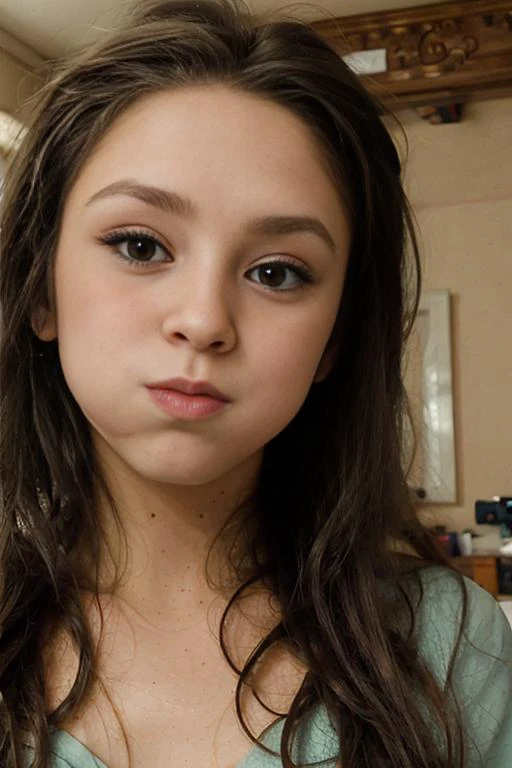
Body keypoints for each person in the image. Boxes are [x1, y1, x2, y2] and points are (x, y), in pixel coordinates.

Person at [0, 1, 510, 766]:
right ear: (42, 290)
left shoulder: (450, 647)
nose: (204, 319)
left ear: (335, 338)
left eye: (277, 272)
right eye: (140, 245)